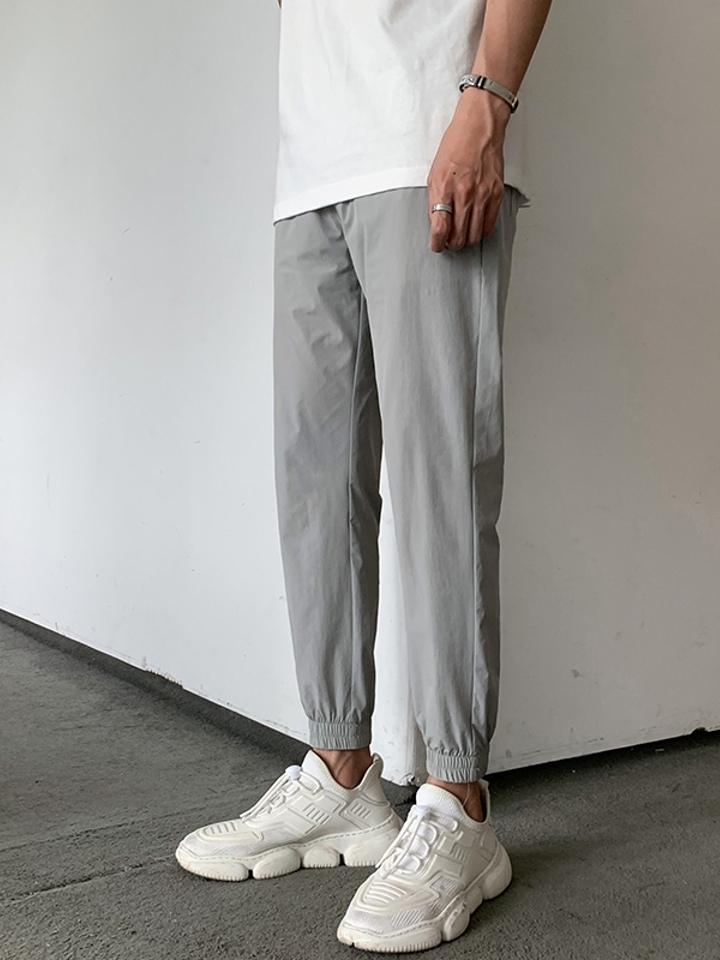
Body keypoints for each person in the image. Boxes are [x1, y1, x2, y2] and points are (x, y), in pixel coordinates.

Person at [176, 0, 553, 951]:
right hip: (311, 163)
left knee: (441, 483)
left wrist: (486, 103)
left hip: (427, 130)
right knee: (315, 482)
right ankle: (341, 773)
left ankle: (458, 801)